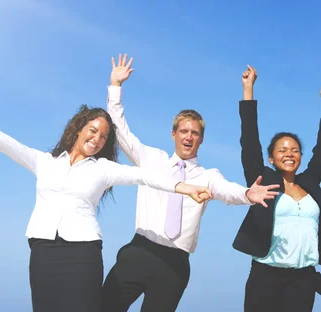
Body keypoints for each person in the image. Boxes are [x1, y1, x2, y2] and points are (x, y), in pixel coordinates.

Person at [0, 91, 213, 312]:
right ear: (79, 128)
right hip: (43, 251)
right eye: (93, 130)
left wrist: (182, 187)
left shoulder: (102, 169)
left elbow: (147, 177)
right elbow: (0, 140)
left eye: (104, 136)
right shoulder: (43, 162)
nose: (97, 139)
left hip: (83, 255)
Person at [100, 55, 281, 312]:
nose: (188, 137)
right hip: (138, 252)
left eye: (194, 133)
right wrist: (115, 86)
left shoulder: (208, 175)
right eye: (184, 131)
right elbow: (119, 130)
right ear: (173, 134)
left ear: (201, 140)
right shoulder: (151, 158)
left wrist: (247, 194)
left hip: (174, 264)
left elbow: (226, 190)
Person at [231, 65, 321, 312]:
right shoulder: (263, 180)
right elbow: (249, 140)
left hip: (303, 280)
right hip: (265, 276)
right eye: (282, 150)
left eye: (294, 150)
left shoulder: (310, 181)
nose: (289, 154)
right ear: (271, 158)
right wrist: (248, 89)